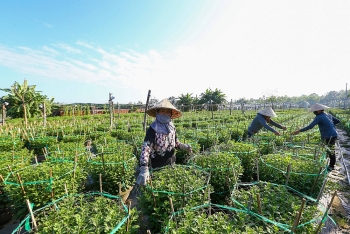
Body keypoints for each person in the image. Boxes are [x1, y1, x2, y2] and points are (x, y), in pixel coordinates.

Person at [136, 98, 192, 185]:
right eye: (162, 111)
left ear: (170, 114)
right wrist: (144, 168)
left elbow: (176, 143)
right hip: (157, 166)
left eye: (167, 111)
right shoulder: (153, 129)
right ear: (157, 113)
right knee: (158, 186)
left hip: (171, 163)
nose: (165, 113)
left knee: (170, 185)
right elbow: (146, 148)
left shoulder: (172, 127)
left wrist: (184, 146)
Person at [292, 103, 340, 171]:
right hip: (334, 134)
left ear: (319, 110)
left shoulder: (319, 117)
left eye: (315, 111)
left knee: (331, 151)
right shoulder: (328, 114)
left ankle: (331, 166)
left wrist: (299, 131)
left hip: (328, 136)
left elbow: (310, 126)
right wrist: (330, 125)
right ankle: (330, 163)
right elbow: (338, 121)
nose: (314, 113)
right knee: (329, 149)